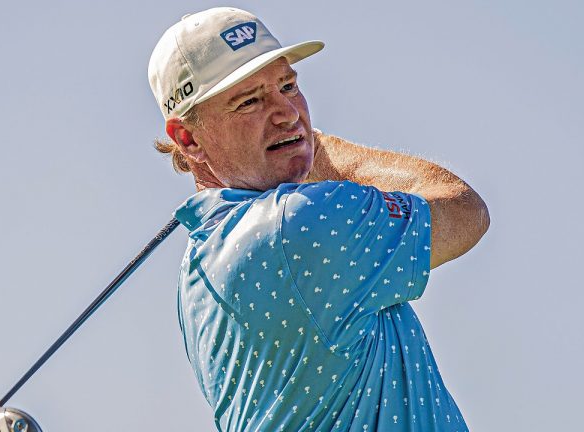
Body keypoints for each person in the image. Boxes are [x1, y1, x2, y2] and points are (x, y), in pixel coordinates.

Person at [148, 7, 489, 431]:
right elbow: (463, 209)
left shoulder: (195, 274)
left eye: (288, 85)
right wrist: (322, 152)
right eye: (249, 101)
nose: (287, 113)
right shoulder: (295, 224)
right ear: (189, 138)